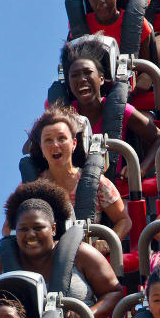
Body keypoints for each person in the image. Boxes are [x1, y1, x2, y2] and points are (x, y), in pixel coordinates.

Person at [0, 181, 123, 318]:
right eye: (23, 229)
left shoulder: (81, 254)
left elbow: (113, 293)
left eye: (38, 228)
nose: (30, 235)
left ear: (53, 228)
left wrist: (87, 314)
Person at [24, 106, 132, 249]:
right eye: (48, 140)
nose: (55, 145)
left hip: (86, 257)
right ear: (42, 148)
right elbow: (9, 229)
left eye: (61, 138)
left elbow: (124, 220)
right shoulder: (32, 188)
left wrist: (107, 242)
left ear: (74, 144)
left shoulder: (97, 183)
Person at [61, 38, 160, 178]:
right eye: (75, 75)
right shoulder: (65, 116)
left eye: (87, 72)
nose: (81, 79)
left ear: (102, 79)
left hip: (117, 189)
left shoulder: (120, 110)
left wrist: (140, 169)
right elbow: (28, 149)